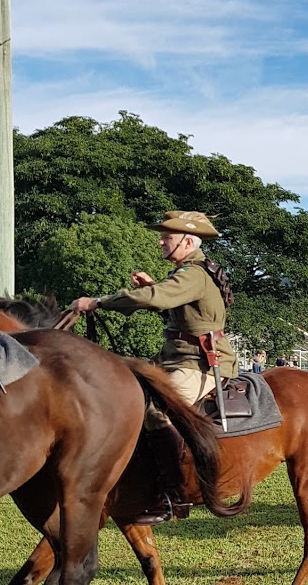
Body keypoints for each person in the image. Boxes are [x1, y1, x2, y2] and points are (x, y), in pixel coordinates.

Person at [71, 209, 237, 521]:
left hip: (199, 364)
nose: (160, 242)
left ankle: (172, 497)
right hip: (176, 359)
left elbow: (156, 299)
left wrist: (98, 302)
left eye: (167, 237)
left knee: (155, 411)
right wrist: (153, 285)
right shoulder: (188, 272)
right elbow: (178, 314)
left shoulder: (194, 274)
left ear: (187, 242)